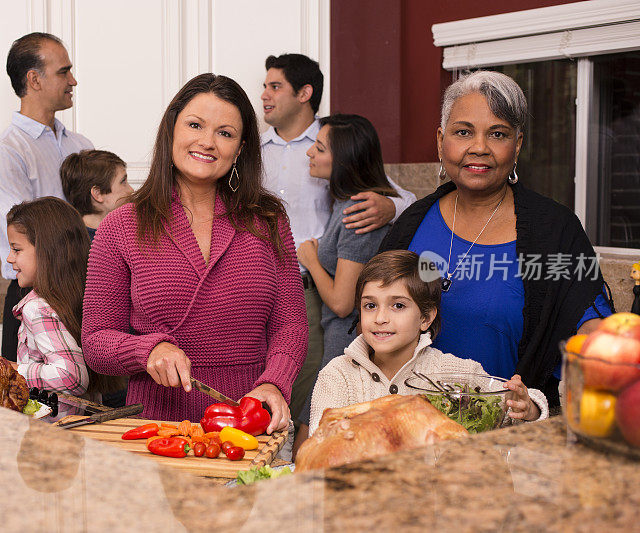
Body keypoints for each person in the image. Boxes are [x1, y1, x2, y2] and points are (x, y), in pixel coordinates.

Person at [82, 73, 307, 433]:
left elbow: (290, 324)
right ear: (172, 129)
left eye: (225, 133)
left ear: (240, 148)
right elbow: (95, 342)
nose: (207, 142)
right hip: (158, 428)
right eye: (195, 125)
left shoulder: (268, 220)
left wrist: (274, 383)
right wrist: (148, 351)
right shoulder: (121, 226)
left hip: (249, 423)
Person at [378, 71, 614, 405]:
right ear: (441, 140)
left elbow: (593, 329)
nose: (479, 147)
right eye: (463, 132)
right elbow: (373, 317)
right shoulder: (412, 225)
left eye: (498, 134)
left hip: (508, 431)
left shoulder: (554, 230)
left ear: (517, 145)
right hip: (411, 423)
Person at [261, 53, 417, 420]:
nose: (264, 94)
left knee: (310, 387)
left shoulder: (335, 143)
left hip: (314, 290)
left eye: (274, 86)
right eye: (264, 86)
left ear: (304, 93)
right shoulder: (252, 150)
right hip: (264, 283)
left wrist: (389, 208)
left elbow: (403, 198)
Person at [306, 250, 548, 437]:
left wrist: (528, 408)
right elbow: (323, 443)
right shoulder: (337, 375)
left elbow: (508, 413)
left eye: (398, 305)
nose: (380, 318)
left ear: (425, 317)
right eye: (370, 305)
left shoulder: (455, 373)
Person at [0, 32, 93, 361]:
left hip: (81, 291)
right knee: (30, 404)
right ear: (34, 79)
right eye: (63, 71)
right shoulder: (6, 153)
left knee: (94, 402)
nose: (73, 80)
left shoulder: (81, 145)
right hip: (33, 293)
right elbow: (28, 237)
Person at [6, 197, 123, 415]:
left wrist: (14, 370)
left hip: (52, 433)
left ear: (46, 251)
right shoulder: (79, 295)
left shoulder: (38, 308)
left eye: (16, 249)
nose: (9, 258)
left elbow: (71, 376)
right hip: (83, 429)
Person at [60, 150, 133, 241]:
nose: (131, 190)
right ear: (97, 193)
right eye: (123, 182)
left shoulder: (124, 230)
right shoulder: (78, 245)